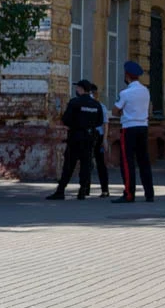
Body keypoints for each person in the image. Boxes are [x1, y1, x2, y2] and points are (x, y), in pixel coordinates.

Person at [46, 79, 104, 201]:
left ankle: (61, 191)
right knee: (86, 164)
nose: (76, 90)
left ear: (82, 89)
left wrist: (74, 125)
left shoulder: (75, 102)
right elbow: (99, 121)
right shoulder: (96, 105)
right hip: (89, 137)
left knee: (69, 164)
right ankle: (82, 191)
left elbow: (66, 119)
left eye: (77, 88)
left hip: (75, 137)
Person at [112, 61, 154, 203]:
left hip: (129, 129)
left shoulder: (125, 93)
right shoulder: (145, 91)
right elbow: (149, 110)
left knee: (127, 162)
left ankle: (129, 194)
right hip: (143, 127)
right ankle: (149, 194)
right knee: (144, 161)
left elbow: (115, 111)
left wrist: (124, 112)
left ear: (127, 76)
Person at [89, 83, 111, 198]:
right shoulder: (99, 105)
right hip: (95, 136)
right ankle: (88, 188)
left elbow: (105, 124)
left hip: (97, 136)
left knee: (99, 163)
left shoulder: (100, 106)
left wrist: (105, 139)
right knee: (91, 162)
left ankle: (104, 189)